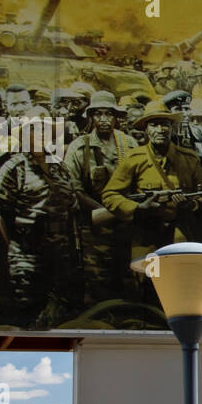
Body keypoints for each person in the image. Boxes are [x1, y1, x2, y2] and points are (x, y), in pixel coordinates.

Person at [0, 106, 80, 321]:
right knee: (28, 312)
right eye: (33, 130)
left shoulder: (59, 166)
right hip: (28, 256)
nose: (39, 135)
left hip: (60, 256)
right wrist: (17, 246)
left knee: (59, 313)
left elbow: (72, 209)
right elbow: (1, 212)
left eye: (44, 130)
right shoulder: (14, 167)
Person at [100, 100, 202, 270]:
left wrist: (192, 205)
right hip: (146, 234)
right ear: (146, 129)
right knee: (148, 282)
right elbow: (110, 195)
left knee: (178, 279)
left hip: (179, 233)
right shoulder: (134, 158)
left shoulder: (189, 159)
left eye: (165, 124)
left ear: (171, 128)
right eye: (154, 125)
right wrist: (137, 208)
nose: (160, 130)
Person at [63, 91, 135, 304]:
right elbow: (73, 187)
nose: (103, 119)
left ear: (116, 117)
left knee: (128, 276)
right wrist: (102, 212)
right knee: (97, 281)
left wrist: (123, 210)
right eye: (98, 114)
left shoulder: (129, 144)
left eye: (109, 114)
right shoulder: (79, 147)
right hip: (93, 224)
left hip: (127, 222)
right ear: (91, 117)